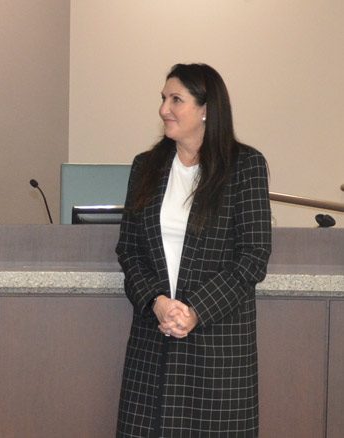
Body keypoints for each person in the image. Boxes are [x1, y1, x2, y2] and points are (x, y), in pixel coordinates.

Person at [115, 63, 271, 437]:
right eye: (163, 99)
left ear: (206, 109)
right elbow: (128, 250)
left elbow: (253, 256)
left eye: (176, 99)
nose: (164, 109)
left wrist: (196, 310)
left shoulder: (245, 166)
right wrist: (156, 301)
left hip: (217, 349)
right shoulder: (146, 167)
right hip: (153, 342)